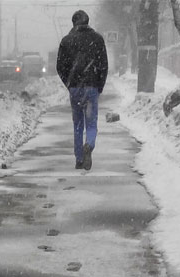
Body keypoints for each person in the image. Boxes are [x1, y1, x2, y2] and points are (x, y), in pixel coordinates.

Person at [55, 10, 109, 171]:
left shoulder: (66, 41)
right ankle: (89, 145)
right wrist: (99, 85)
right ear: (87, 22)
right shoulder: (97, 39)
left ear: (74, 23)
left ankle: (79, 159)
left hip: (75, 89)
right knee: (91, 124)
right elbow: (103, 65)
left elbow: (60, 67)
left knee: (78, 124)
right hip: (91, 88)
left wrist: (69, 84)